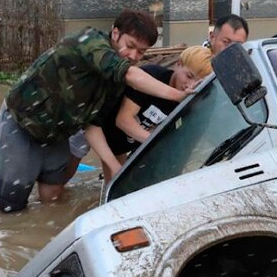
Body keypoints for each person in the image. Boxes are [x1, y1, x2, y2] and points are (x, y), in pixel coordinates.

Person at [0, 9, 193, 212]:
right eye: (130, 46)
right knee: (10, 205)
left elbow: (93, 125)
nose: (133, 55)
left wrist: (114, 167)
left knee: (52, 196)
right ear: (115, 34)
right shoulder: (89, 42)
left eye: (141, 52)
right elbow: (129, 74)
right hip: (22, 120)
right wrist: (178, 95)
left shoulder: (115, 83)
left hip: (59, 131)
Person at [89, 46, 213, 180]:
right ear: (178, 64)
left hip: (125, 143)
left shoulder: (192, 98)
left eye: (198, 82)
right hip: (96, 128)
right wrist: (157, 143)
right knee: (69, 167)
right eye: (189, 76)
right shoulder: (151, 77)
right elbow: (123, 121)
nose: (190, 85)